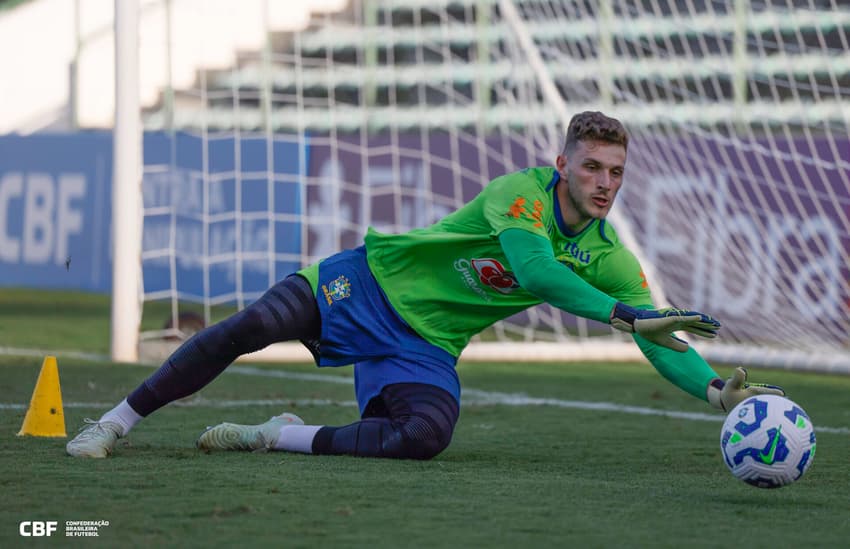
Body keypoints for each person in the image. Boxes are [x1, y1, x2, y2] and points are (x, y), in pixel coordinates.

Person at [66, 111, 784, 460]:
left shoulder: (611, 258)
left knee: (425, 438)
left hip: (427, 344)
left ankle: (278, 434)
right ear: (561, 163)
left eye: (616, 172)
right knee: (251, 325)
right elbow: (535, 272)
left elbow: (660, 337)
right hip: (369, 282)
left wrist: (715, 390)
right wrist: (629, 316)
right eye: (592, 166)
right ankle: (114, 423)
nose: (605, 184)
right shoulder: (522, 194)